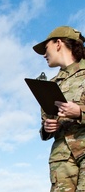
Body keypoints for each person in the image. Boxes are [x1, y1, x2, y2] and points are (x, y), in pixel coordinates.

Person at [33, 25, 85, 192]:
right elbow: (45, 122)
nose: (43, 54)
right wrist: (47, 127)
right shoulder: (51, 85)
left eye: (45, 47)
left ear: (58, 43)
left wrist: (79, 112)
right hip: (61, 160)